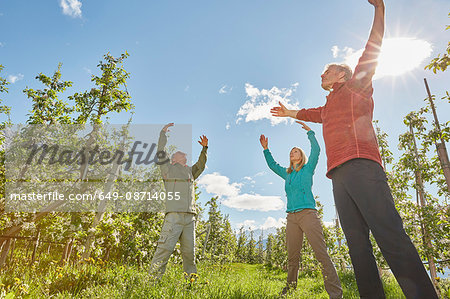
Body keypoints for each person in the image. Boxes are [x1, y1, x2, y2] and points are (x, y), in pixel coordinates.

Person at [270, 0, 438, 298]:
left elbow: (373, 47)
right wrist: (290, 112)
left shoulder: (358, 86)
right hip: (338, 178)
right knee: (357, 245)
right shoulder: (329, 104)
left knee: (388, 234)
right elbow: (312, 113)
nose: (322, 74)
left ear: (343, 75)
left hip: (363, 166)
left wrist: (379, 9)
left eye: (327, 70)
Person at [260, 121, 342, 298]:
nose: (292, 152)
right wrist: (266, 149)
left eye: (295, 151)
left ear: (301, 156)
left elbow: (317, 151)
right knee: (292, 257)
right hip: (291, 218)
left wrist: (310, 133)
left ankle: (335, 293)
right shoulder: (287, 173)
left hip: (308, 215)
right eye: (291, 152)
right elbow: (273, 165)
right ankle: (290, 289)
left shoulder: (308, 169)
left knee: (321, 254)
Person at [149, 123, 208, 279]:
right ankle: (151, 282)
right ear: (174, 159)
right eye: (180, 153)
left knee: (190, 253)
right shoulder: (167, 168)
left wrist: (204, 148)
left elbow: (201, 165)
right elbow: (160, 151)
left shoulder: (190, 172)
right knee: (164, 250)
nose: (184, 154)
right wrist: (163, 134)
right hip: (174, 216)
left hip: (190, 217)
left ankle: (191, 282)